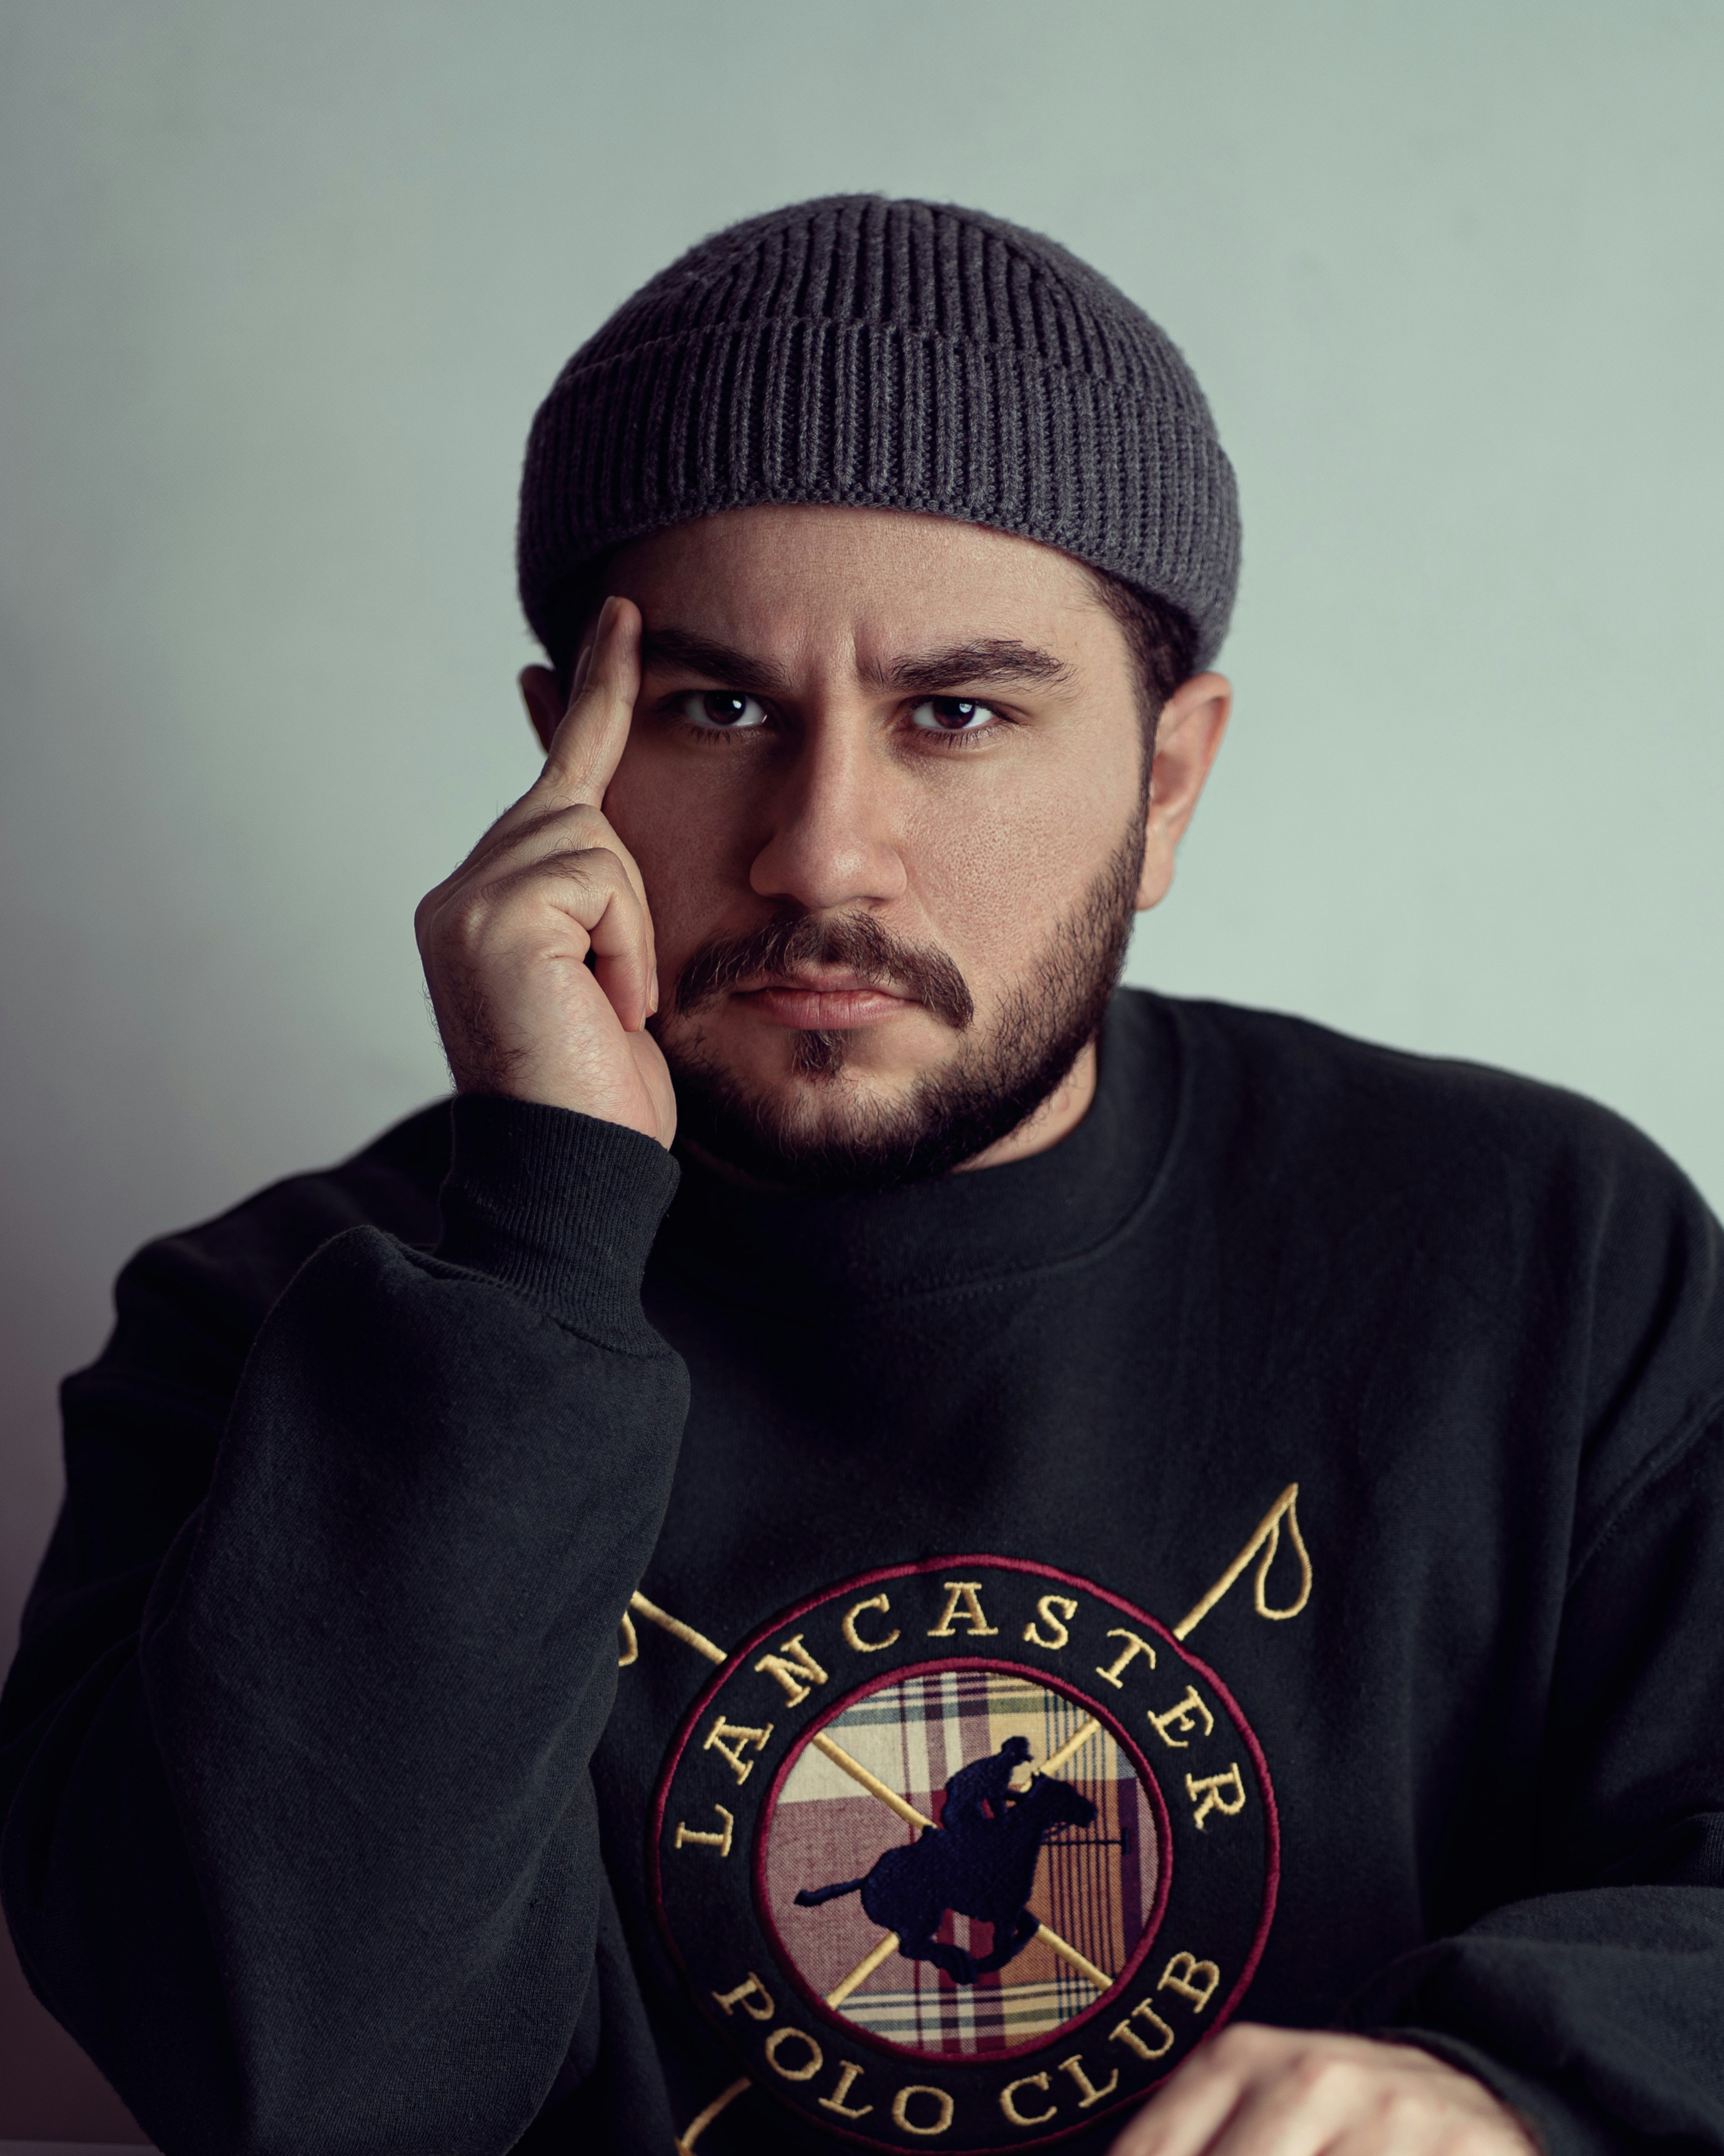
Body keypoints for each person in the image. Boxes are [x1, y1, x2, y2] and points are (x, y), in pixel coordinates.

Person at [3, 195, 1721, 2156]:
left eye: (958, 714)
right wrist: (544, 1241)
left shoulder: (1541, 1251)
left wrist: (1499, 2097)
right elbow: (298, 2091)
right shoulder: (264, 1333)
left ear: (1167, 781)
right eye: (716, 709)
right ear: (558, 760)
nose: (825, 855)